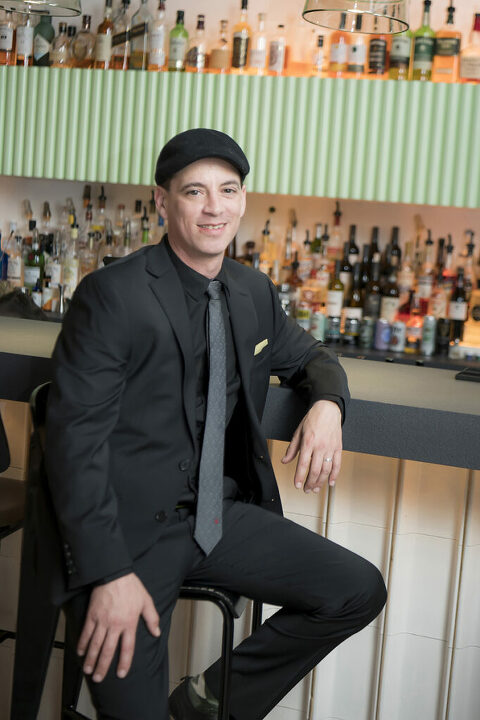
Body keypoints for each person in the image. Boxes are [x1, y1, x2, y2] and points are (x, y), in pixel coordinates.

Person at [45, 128, 387, 720]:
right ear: (162, 202)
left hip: (216, 519)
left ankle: (203, 704)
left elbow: (313, 358)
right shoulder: (112, 295)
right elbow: (74, 445)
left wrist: (328, 406)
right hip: (128, 537)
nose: (214, 208)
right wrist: (108, 573)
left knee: (356, 590)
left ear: (243, 200)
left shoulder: (251, 289)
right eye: (195, 192)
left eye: (227, 191)